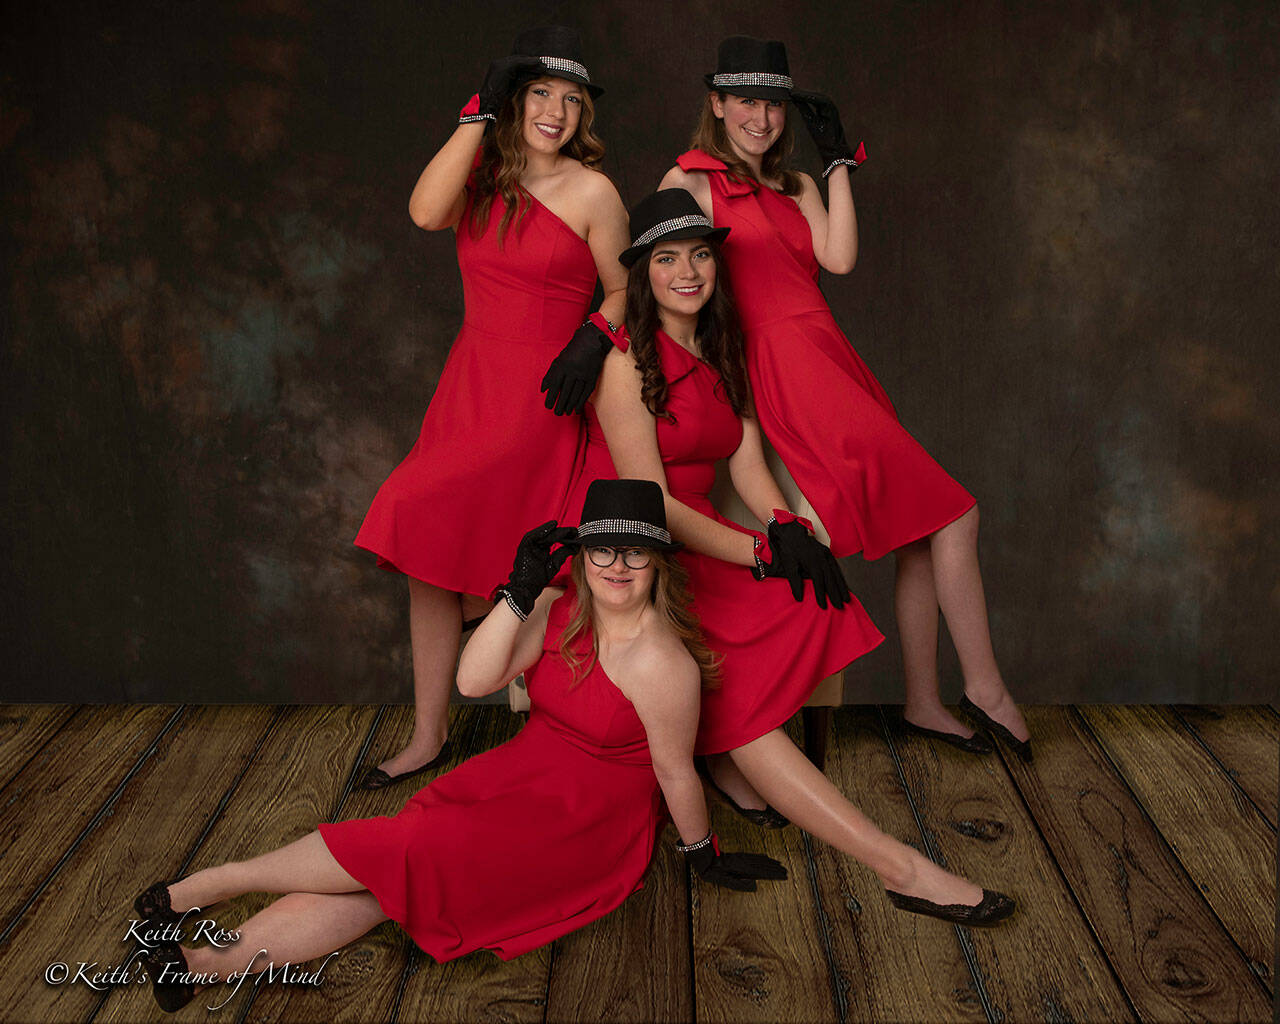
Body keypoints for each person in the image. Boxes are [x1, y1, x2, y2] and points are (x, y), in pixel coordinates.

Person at [130, 479, 786, 1013]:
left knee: (402, 853)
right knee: (386, 886)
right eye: (602, 550)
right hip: (518, 776)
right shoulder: (557, 609)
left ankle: (194, 890)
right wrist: (519, 592)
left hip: (583, 824)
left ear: (658, 563)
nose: (616, 566)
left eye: (634, 552)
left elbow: (674, 773)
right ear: (581, 555)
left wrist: (701, 853)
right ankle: (197, 967)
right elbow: (473, 682)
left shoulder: (663, 664)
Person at [558, 188, 1015, 927]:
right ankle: (900, 867)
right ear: (639, 274)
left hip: (699, 533)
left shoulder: (722, 345)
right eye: (667, 258)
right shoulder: (621, 362)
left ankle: (730, 760)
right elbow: (652, 504)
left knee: (811, 603)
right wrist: (760, 556)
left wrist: (782, 527)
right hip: (635, 548)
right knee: (741, 685)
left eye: (701, 254)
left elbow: (743, 457)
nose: (688, 271)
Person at [657, 36, 1031, 760]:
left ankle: (923, 699)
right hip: (782, 364)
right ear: (717, 104)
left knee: (926, 527)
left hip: (832, 358)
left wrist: (834, 169)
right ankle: (986, 689)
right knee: (959, 514)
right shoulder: (693, 178)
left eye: (772, 103)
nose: (760, 118)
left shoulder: (797, 185)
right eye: (745, 102)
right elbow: (660, 269)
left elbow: (838, 259)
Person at [351, 26, 632, 788]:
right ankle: (429, 733)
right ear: (515, 100)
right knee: (429, 549)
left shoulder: (592, 190)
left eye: (572, 101)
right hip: (468, 384)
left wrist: (594, 338)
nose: (557, 112)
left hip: (543, 394)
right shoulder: (482, 178)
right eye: (541, 93)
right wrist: (479, 112)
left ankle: (521, 686)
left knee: (451, 522)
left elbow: (624, 286)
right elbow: (421, 212)